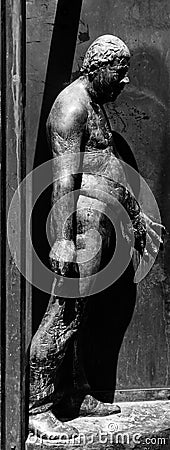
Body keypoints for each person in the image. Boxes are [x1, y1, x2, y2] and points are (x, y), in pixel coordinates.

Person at [29, 35, 164, 439]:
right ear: (98, 67)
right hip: (80, 229)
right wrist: (65, 240)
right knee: (63, 314)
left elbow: (103, 162)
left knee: (79, 315)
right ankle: (38, 406)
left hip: (97, 224)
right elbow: (63, 179)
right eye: (119, 71)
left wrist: (133, 211)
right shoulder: (71, 108)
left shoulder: (92, 102)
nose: (124, 81)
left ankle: (73, 392)